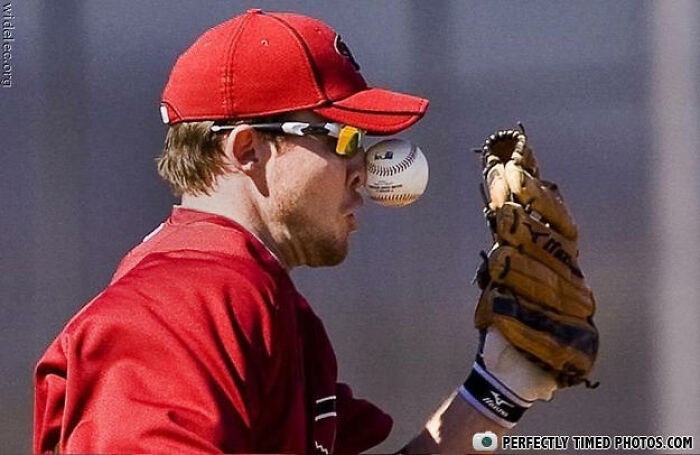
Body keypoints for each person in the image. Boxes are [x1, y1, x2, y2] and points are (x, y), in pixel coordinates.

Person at [34, 9, 597, 454]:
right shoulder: (178, 308)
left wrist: (497, 390)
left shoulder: (256, 302)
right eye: (342, 137)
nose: (365, 168)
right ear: (248, 149)